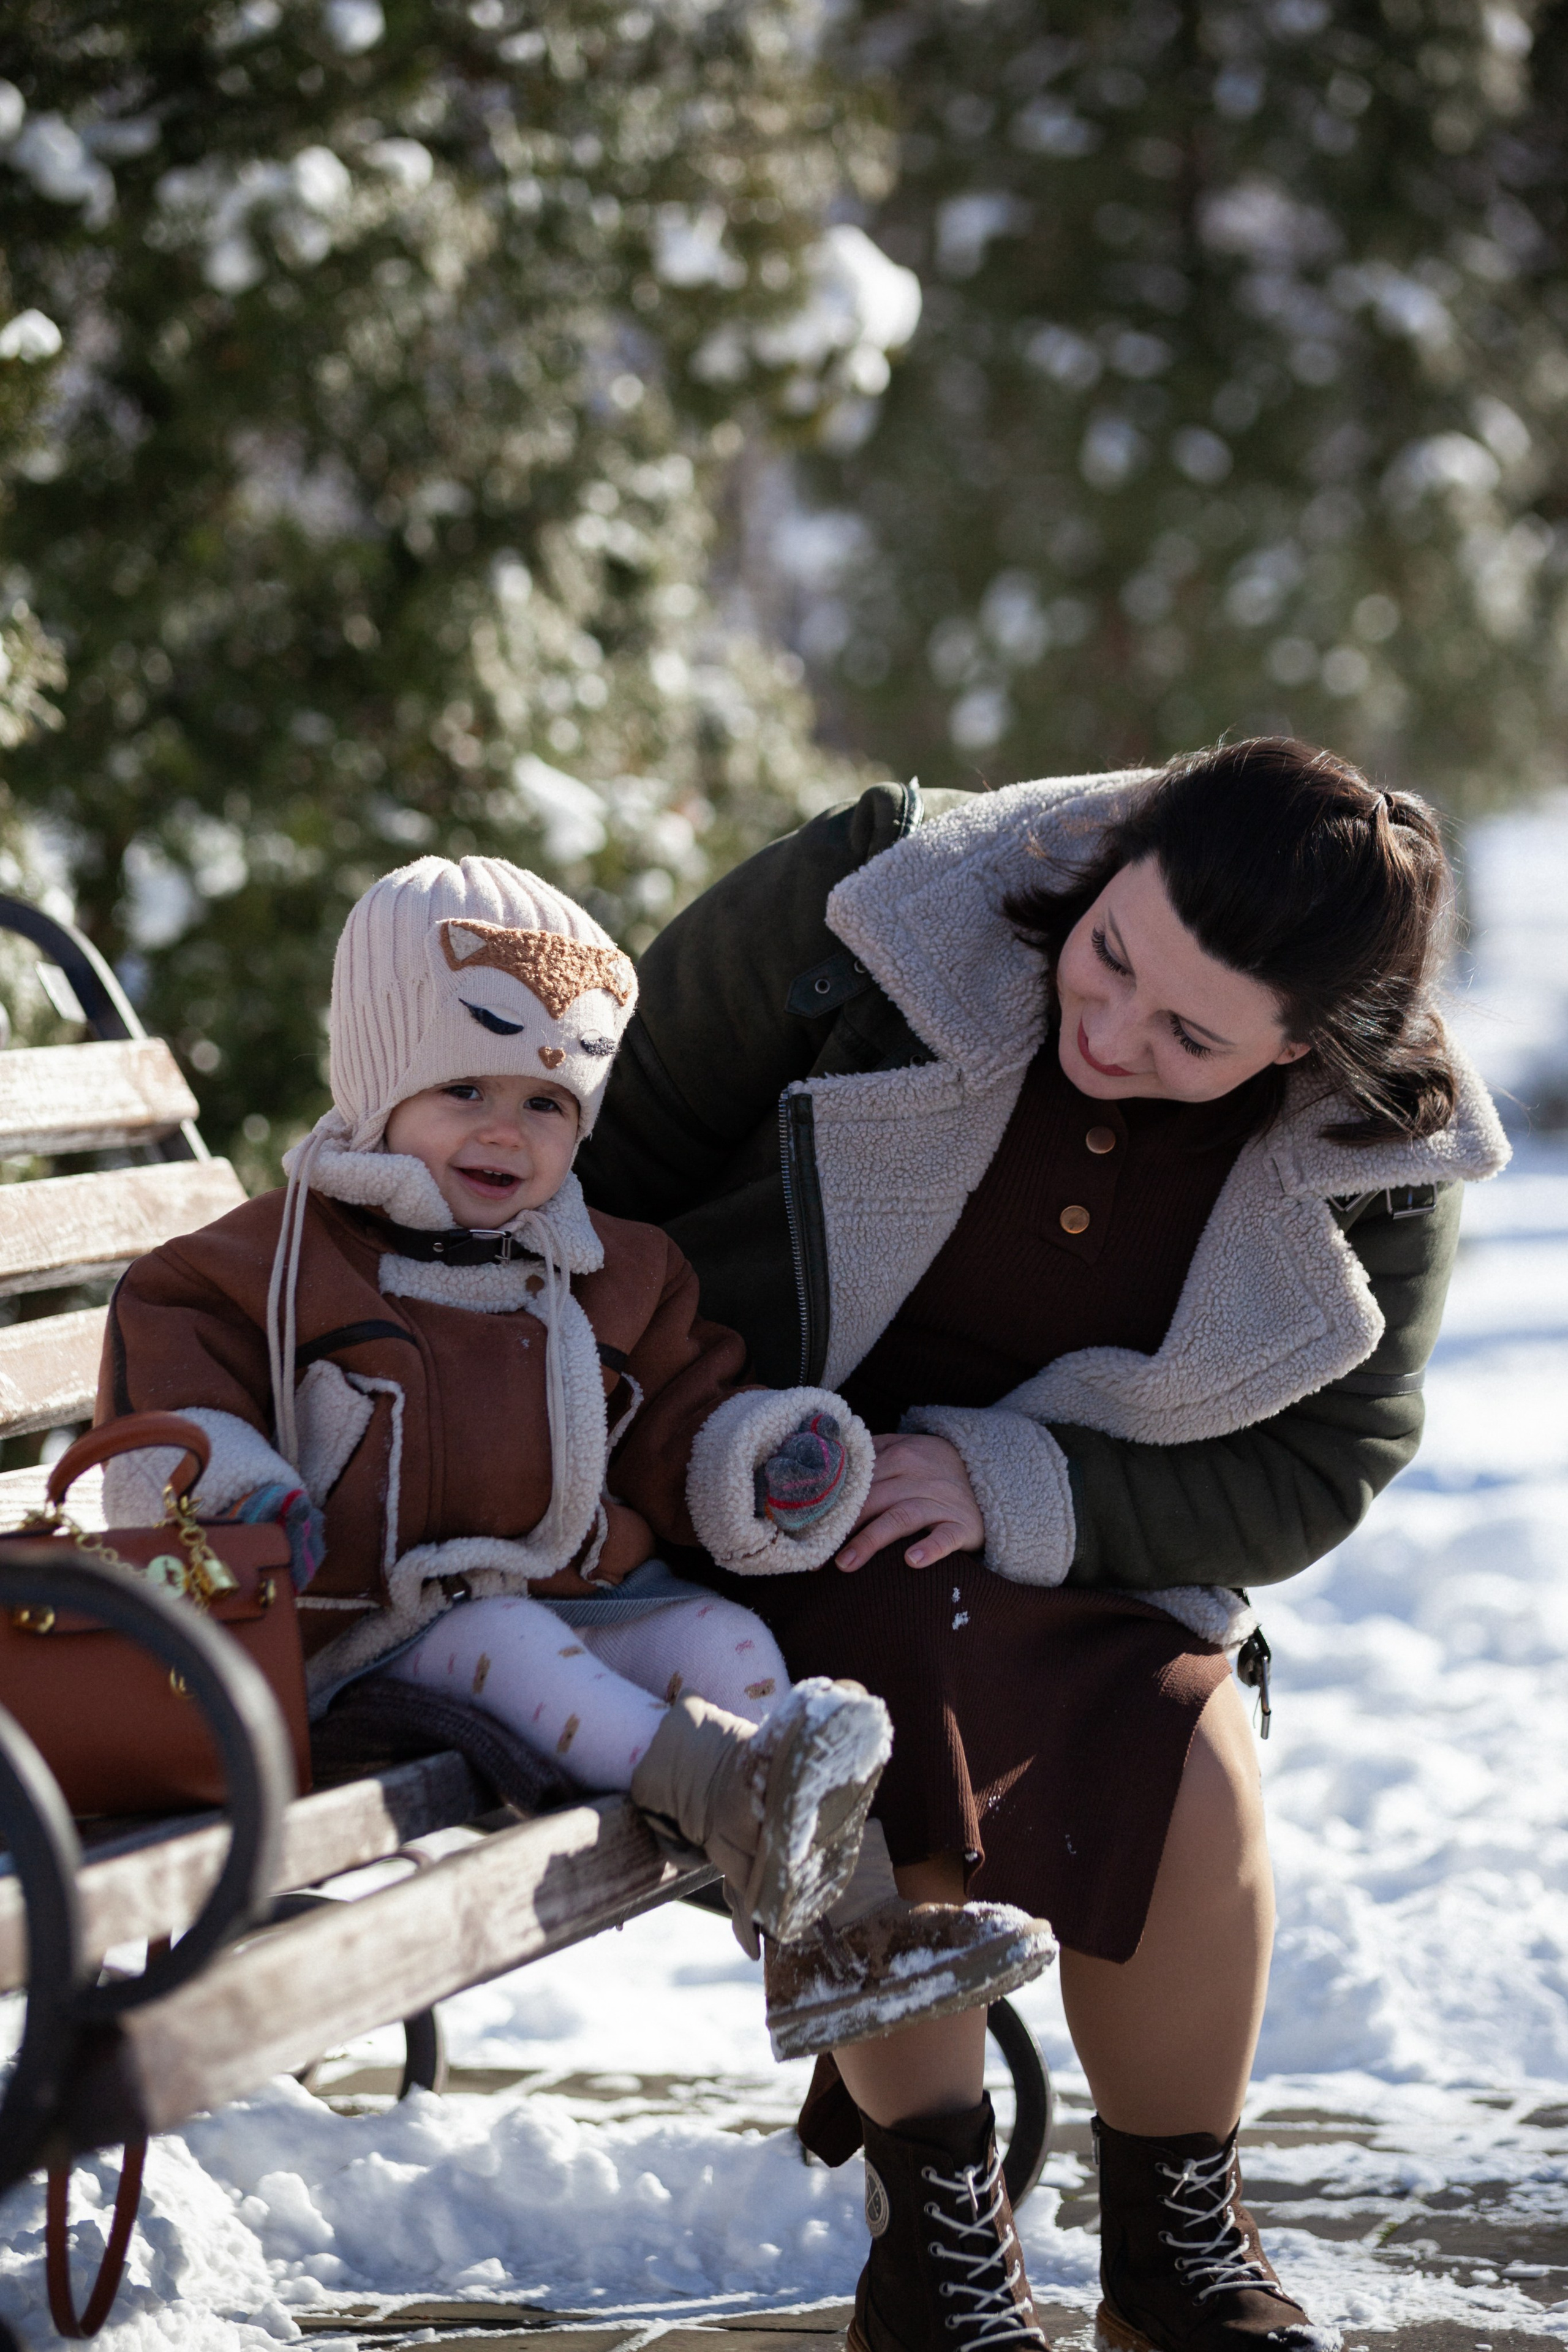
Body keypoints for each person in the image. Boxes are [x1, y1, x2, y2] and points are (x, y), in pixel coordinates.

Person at [578, 741, 1510, 2352]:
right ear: (1111, 856)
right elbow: (598, 1160)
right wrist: (695, 1436)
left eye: (1191, 1038)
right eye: (1111, 955)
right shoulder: (881, 902)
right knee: (879, 1699)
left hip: (1071, 1549)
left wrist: (1016, 1485)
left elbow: (1330, 1456)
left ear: (1301, 1047)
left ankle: (1176, 2247)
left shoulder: (1378, 1148)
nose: (1114, 1030)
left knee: (1184, 1736)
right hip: (750, 1488)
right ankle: (935, 2249)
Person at [97, 855, 1052, 2058]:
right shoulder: (261, 1272)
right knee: (508, 1636)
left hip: (570, 1604)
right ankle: (738, 1804)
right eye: (464, 1088)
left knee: (722, 1639)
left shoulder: (609, 1272)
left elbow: (675, 1420)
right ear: (380, 1084)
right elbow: (168, 1429)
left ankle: (836, 1942)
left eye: (547, 1103)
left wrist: (758, 1463)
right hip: (358, 1640)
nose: (507, 1130)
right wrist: (244, 1497)